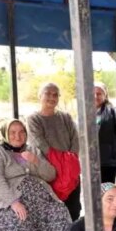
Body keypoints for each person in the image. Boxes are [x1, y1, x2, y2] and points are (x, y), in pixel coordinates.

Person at [27, 82, 81, 221]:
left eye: (55, 94)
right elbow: (40, 144)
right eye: (48, 93)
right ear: (40, 96)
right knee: (55, 211)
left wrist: (69, 163)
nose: (52, 97)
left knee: (74, 208)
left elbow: (75, 139)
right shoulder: (34, 119)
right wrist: (59, 166)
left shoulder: (66, 117)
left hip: (71, 170)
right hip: (50, 172)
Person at [94, 82, 116, 184]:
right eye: (93, 93)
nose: (95, 96)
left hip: (108, 162)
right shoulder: (85, 113)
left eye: (99, 93)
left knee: (106, 192)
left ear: (105, 95)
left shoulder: (113, 113)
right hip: (91, 162)